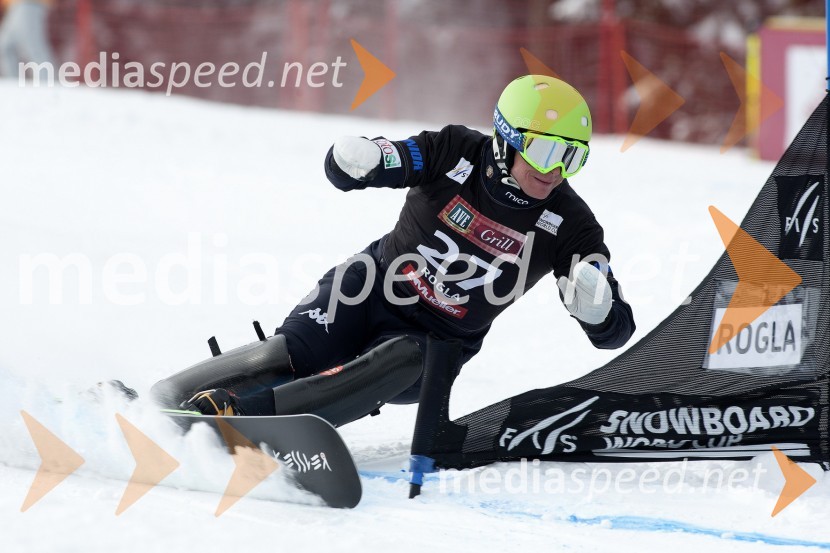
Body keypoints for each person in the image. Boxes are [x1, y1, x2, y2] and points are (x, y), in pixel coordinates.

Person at [155, 75, 636, 423]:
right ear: (506, 139)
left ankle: (242, 418)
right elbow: (356, 169)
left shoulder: (572, 224)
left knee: (402, 356)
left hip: (435, 341)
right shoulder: (453, 150)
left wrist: (599, 312)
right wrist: (357, 160)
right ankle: (162, 397)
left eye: (573, 156)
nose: (555, 171)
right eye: (547, 150)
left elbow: (615, 334)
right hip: (368, 288)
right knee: (296, 350)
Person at [0, 0, 56, 79]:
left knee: (34, 47)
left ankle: (49, 81)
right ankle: (13, 83)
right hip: (14, 6)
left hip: (29, 4)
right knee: (6, 47)